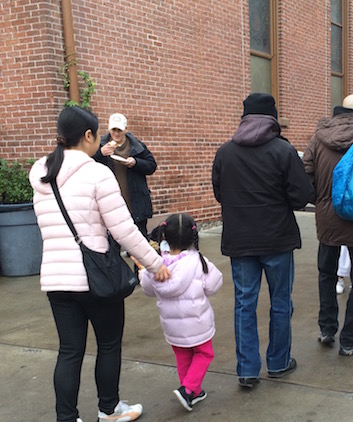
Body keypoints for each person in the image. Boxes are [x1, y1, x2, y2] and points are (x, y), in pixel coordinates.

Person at [28, 106, 170, 422]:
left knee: (69, 351)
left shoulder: (41, 173)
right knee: (108, 345)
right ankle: (108, 410)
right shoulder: (97, 173)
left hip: (55, 279)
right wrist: (153, 263)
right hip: (96, 279)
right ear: (89, 135)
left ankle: (66, 418)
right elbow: (123, 229)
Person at [212, 93, 314, 388]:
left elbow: (220, 193)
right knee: (280, 302)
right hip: (277, 240)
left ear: (244, 117)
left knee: (244, 304)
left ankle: (247, 369)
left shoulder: (225, 152)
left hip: (240, 240)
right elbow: (300, 196)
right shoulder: (283, 151)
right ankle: (279, 362)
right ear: (272, 118)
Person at [303, 93, 353, 356]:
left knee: (326, 274)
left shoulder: (318, 138)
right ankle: (351, 339)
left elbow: (305, 176)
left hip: (328, 218)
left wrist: (322, 201)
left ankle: (327, 329)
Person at [139, 213, 223, 412]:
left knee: (183, 355)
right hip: (197, 323)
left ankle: (194, 391)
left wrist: (143, 271)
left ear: (164, 237)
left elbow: (147, 289)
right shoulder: (198, 262)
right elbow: (214, 284)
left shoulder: (157, 265)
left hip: (172, 325)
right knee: (204, 353)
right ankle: (188, 390)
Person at [93, 113, 157, 238]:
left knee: (139, 239)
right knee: (113, 241)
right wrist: (100, 153)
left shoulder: (137, 146)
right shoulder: (100, 146)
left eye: (119, 130)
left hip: (135, 200)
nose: (116, 133)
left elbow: (152, 166)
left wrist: (136, 162)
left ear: (126, 129)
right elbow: (87, 164)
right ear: (109, 129)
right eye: (114, 130)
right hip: (111, 201)